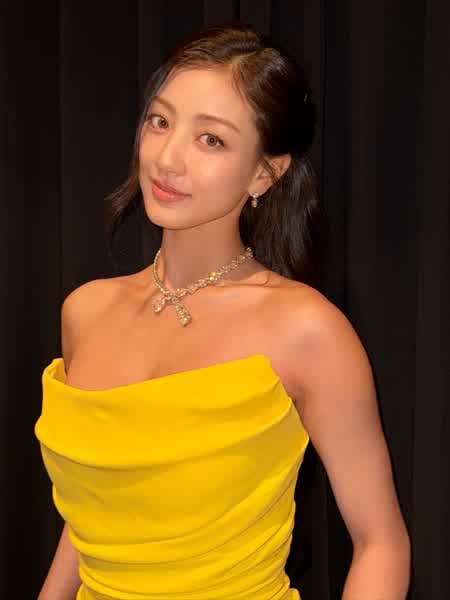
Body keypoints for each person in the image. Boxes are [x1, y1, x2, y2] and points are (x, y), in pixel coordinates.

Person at [35, 21, 410, 600]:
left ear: (265, 172)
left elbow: (380, 541)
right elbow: (95, 512)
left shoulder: (305, 330)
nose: (167, 158)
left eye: (211, 139)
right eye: (160, 122)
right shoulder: (85, 311)